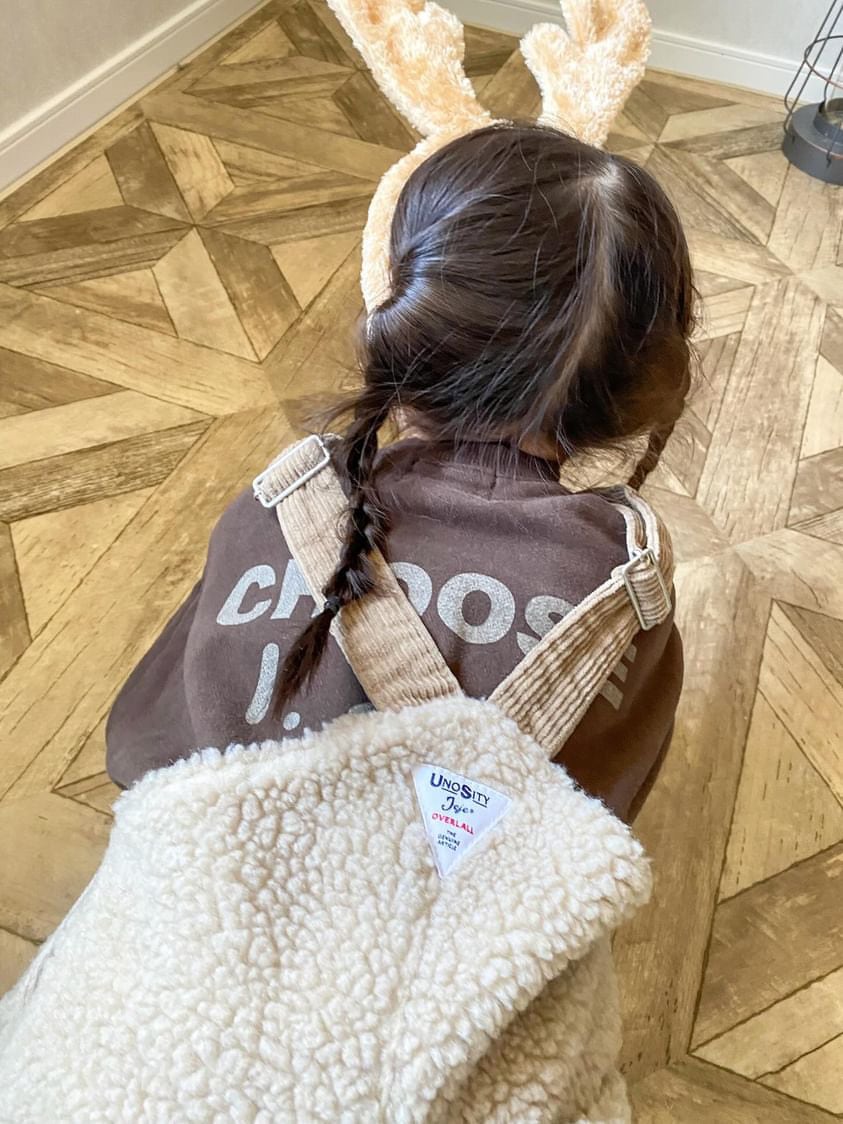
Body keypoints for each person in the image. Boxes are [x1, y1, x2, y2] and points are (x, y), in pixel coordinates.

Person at [106, 123, 692, 823]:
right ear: (633, 391)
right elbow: (604, 800)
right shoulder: (623, 591)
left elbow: (143, 747)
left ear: (406, 322)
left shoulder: (273, 507)